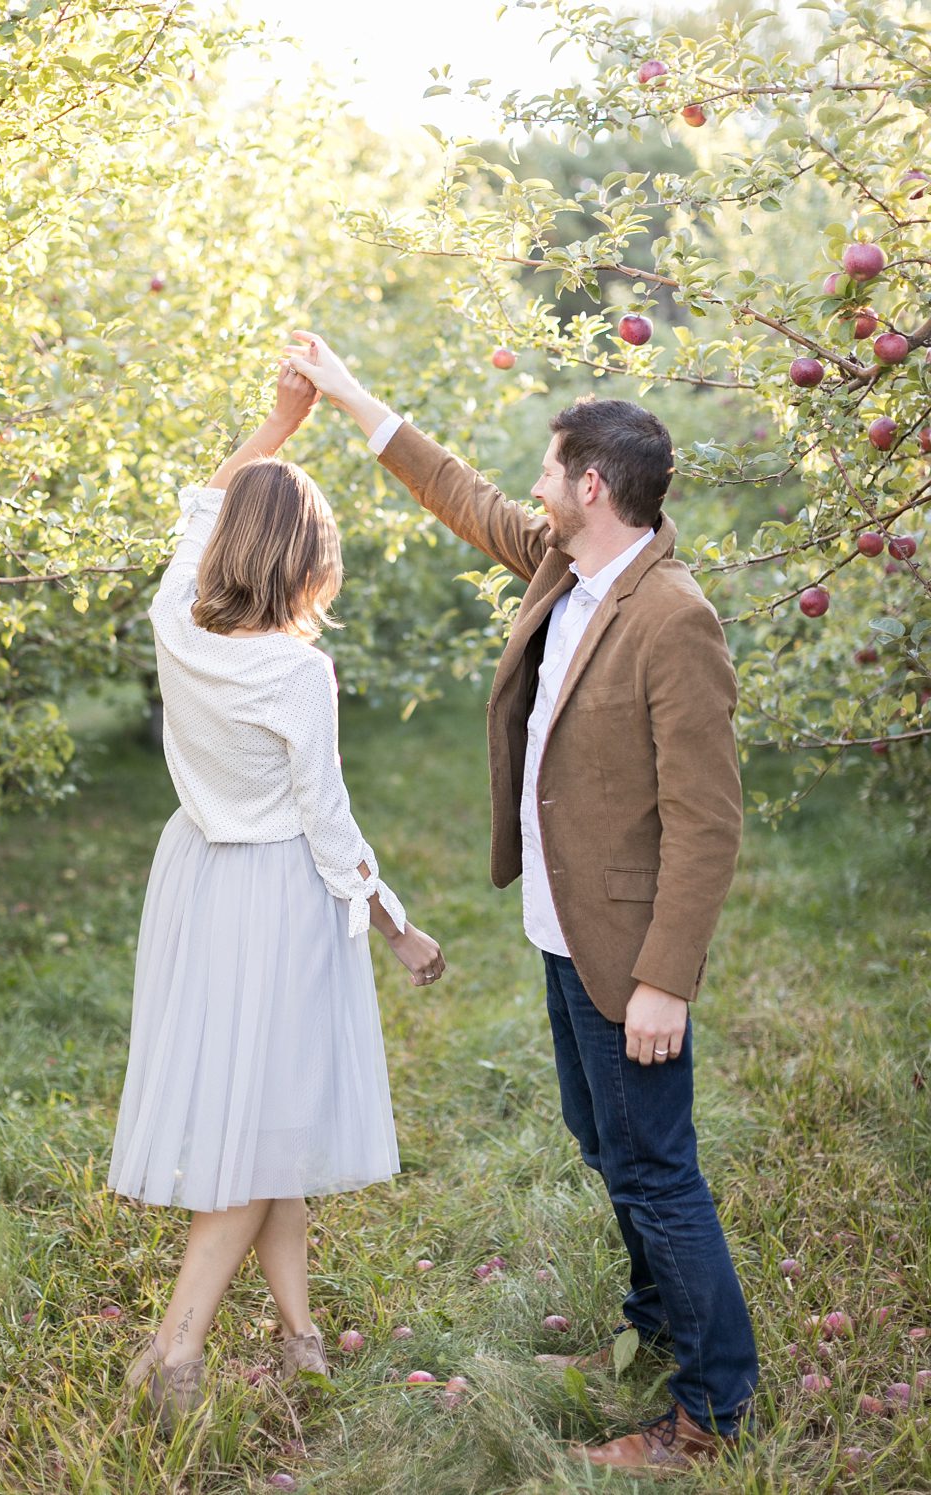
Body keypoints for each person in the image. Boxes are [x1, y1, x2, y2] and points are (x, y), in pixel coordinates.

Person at [286, 331, 757, 1471]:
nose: (532, 488)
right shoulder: (565, 570)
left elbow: (706, 819)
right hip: (562, 929)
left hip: (623, 952)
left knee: (655, 1168)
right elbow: (455, 490)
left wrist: (662, 979)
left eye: (548, 472)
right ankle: (650, 1334)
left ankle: (709, 1412)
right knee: (607, 1146)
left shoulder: (668, 615)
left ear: (589, 486)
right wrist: (349, 393)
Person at [108, 361, 445, 1432]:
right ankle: (176, 1346)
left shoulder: (176, 619)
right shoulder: (297, 672)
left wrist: (278, 424)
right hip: (278, 897)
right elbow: (326, 820)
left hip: (198, 880)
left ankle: (299, 1340)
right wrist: (394, 923)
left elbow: (209, 498)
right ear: (307, 555)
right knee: (260, 1132)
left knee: (270, 1116)